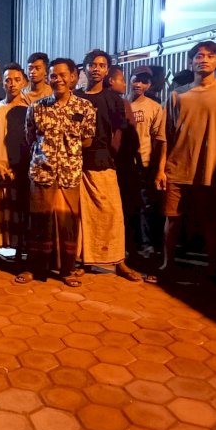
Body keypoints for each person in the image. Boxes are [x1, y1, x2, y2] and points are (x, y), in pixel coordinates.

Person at [156, 41, 216, 280]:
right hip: (177, 168)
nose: (203, 59)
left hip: (210, 170)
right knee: (172, 220)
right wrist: (161, 170)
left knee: (208, 220)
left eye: (210, 55)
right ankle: (167, 264)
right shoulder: (177, 95)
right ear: (191, 62)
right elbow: (165, 136)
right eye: (198, 56)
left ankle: (212, 268)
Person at [15, 58, 96, 287]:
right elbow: (30, 137)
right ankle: (34, 268)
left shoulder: (85, 108)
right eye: (53, 75)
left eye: (62, 75)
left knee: (67, 223)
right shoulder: (37, 107)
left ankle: (67, 270)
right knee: (39, 222)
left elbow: (88, 140)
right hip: (42, 172)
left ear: (73, 77)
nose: (58, 79)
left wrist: (68, 152)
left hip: (70, 174)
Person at [76, 50, 142, 281]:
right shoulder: (75, 97)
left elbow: (119, 131)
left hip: (104, 162)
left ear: (106, 71)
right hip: (77, 163)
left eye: (102, 65)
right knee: (82, 216)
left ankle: (118, 261)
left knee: (112, 213)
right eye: (92, 64)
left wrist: (111, 154)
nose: (96, 69)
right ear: (84, 68)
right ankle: (82, 261)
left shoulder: (114, 99)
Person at [0, 63, 29, 260]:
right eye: (8, 80)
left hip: (19, 171)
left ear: (24, 82)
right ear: (3, 83)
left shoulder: (30, 110)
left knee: (18, 213)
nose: (12, 84)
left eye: (17, 80)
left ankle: (18, 255)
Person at [123, 66, 165, 265]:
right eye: (136, 80)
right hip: (122, 164)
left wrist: (157, 167)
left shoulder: (154, 107)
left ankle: (146, 245)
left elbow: (158, 138)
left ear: (149, 85)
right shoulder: (120, 103)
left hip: (144, 164)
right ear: (130, 79)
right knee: (125, 205)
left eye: (144, 81)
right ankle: (126, 245)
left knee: (145, 206)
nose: (139, 84)